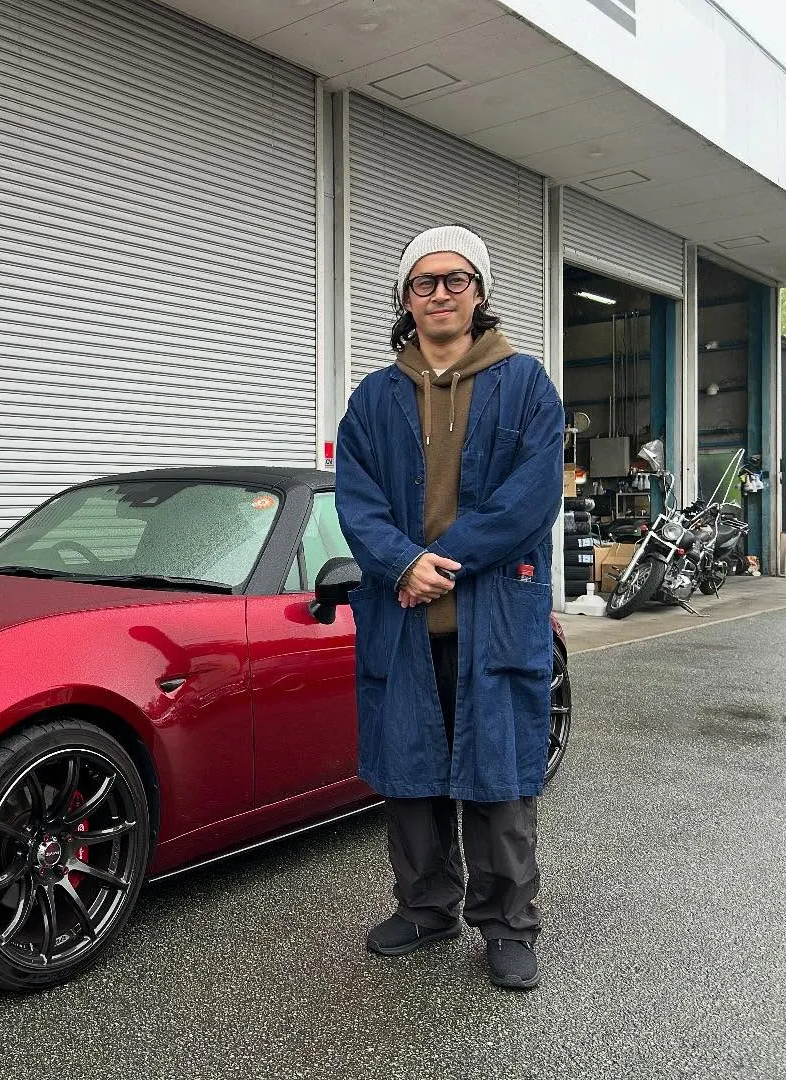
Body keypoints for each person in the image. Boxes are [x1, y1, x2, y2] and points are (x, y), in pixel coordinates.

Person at [334, 225, 564, 991]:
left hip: (493, 616)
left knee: (499, 780)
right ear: (405, 298)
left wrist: (442, 563)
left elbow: (529, 499)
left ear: (480, 292)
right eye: (424, 282)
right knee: (411, 776)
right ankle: (426, 907)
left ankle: (507, 926)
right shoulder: (372, 399)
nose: (439, 293)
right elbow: (358, 502)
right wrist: (402, 562)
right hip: (403, 620)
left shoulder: (525, 383)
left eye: (455, 279)